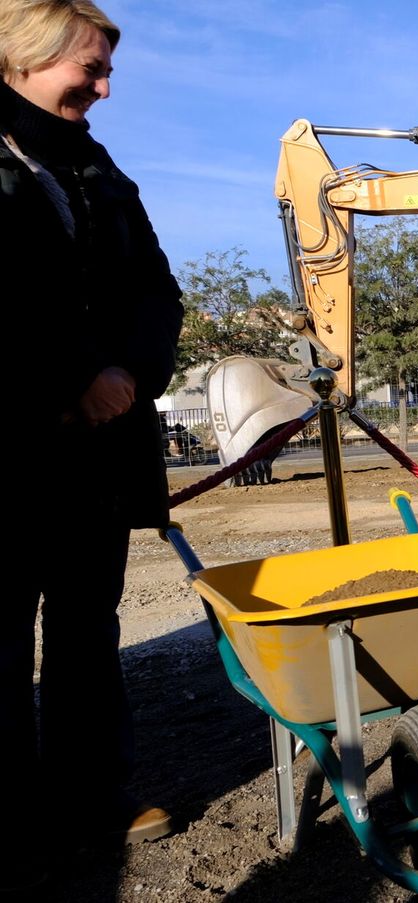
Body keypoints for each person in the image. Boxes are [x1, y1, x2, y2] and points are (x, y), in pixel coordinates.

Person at [0, 0, 184, 867]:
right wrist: (76, 373)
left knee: (84, 628)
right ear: (22, 58)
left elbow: (157, 291)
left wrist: (130, 381)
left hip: (97, 450)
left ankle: (91, 794)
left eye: (108, 70)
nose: (105, 88)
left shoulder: (101, 169)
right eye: (90, 68)